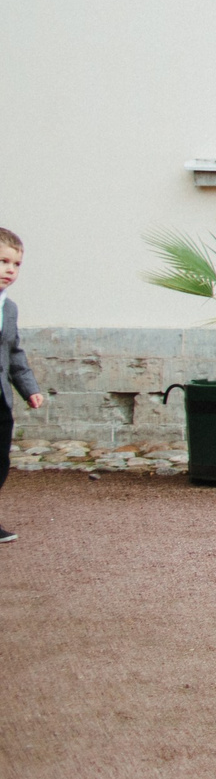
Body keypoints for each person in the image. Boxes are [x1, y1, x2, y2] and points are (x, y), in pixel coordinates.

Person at [0, 228, 44, 545]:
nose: (10, 270)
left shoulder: (9, 308)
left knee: (0, 460)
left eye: (16, 264)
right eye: (3, 261)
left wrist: (29, 388)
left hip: (0, 399)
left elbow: (14, 352)